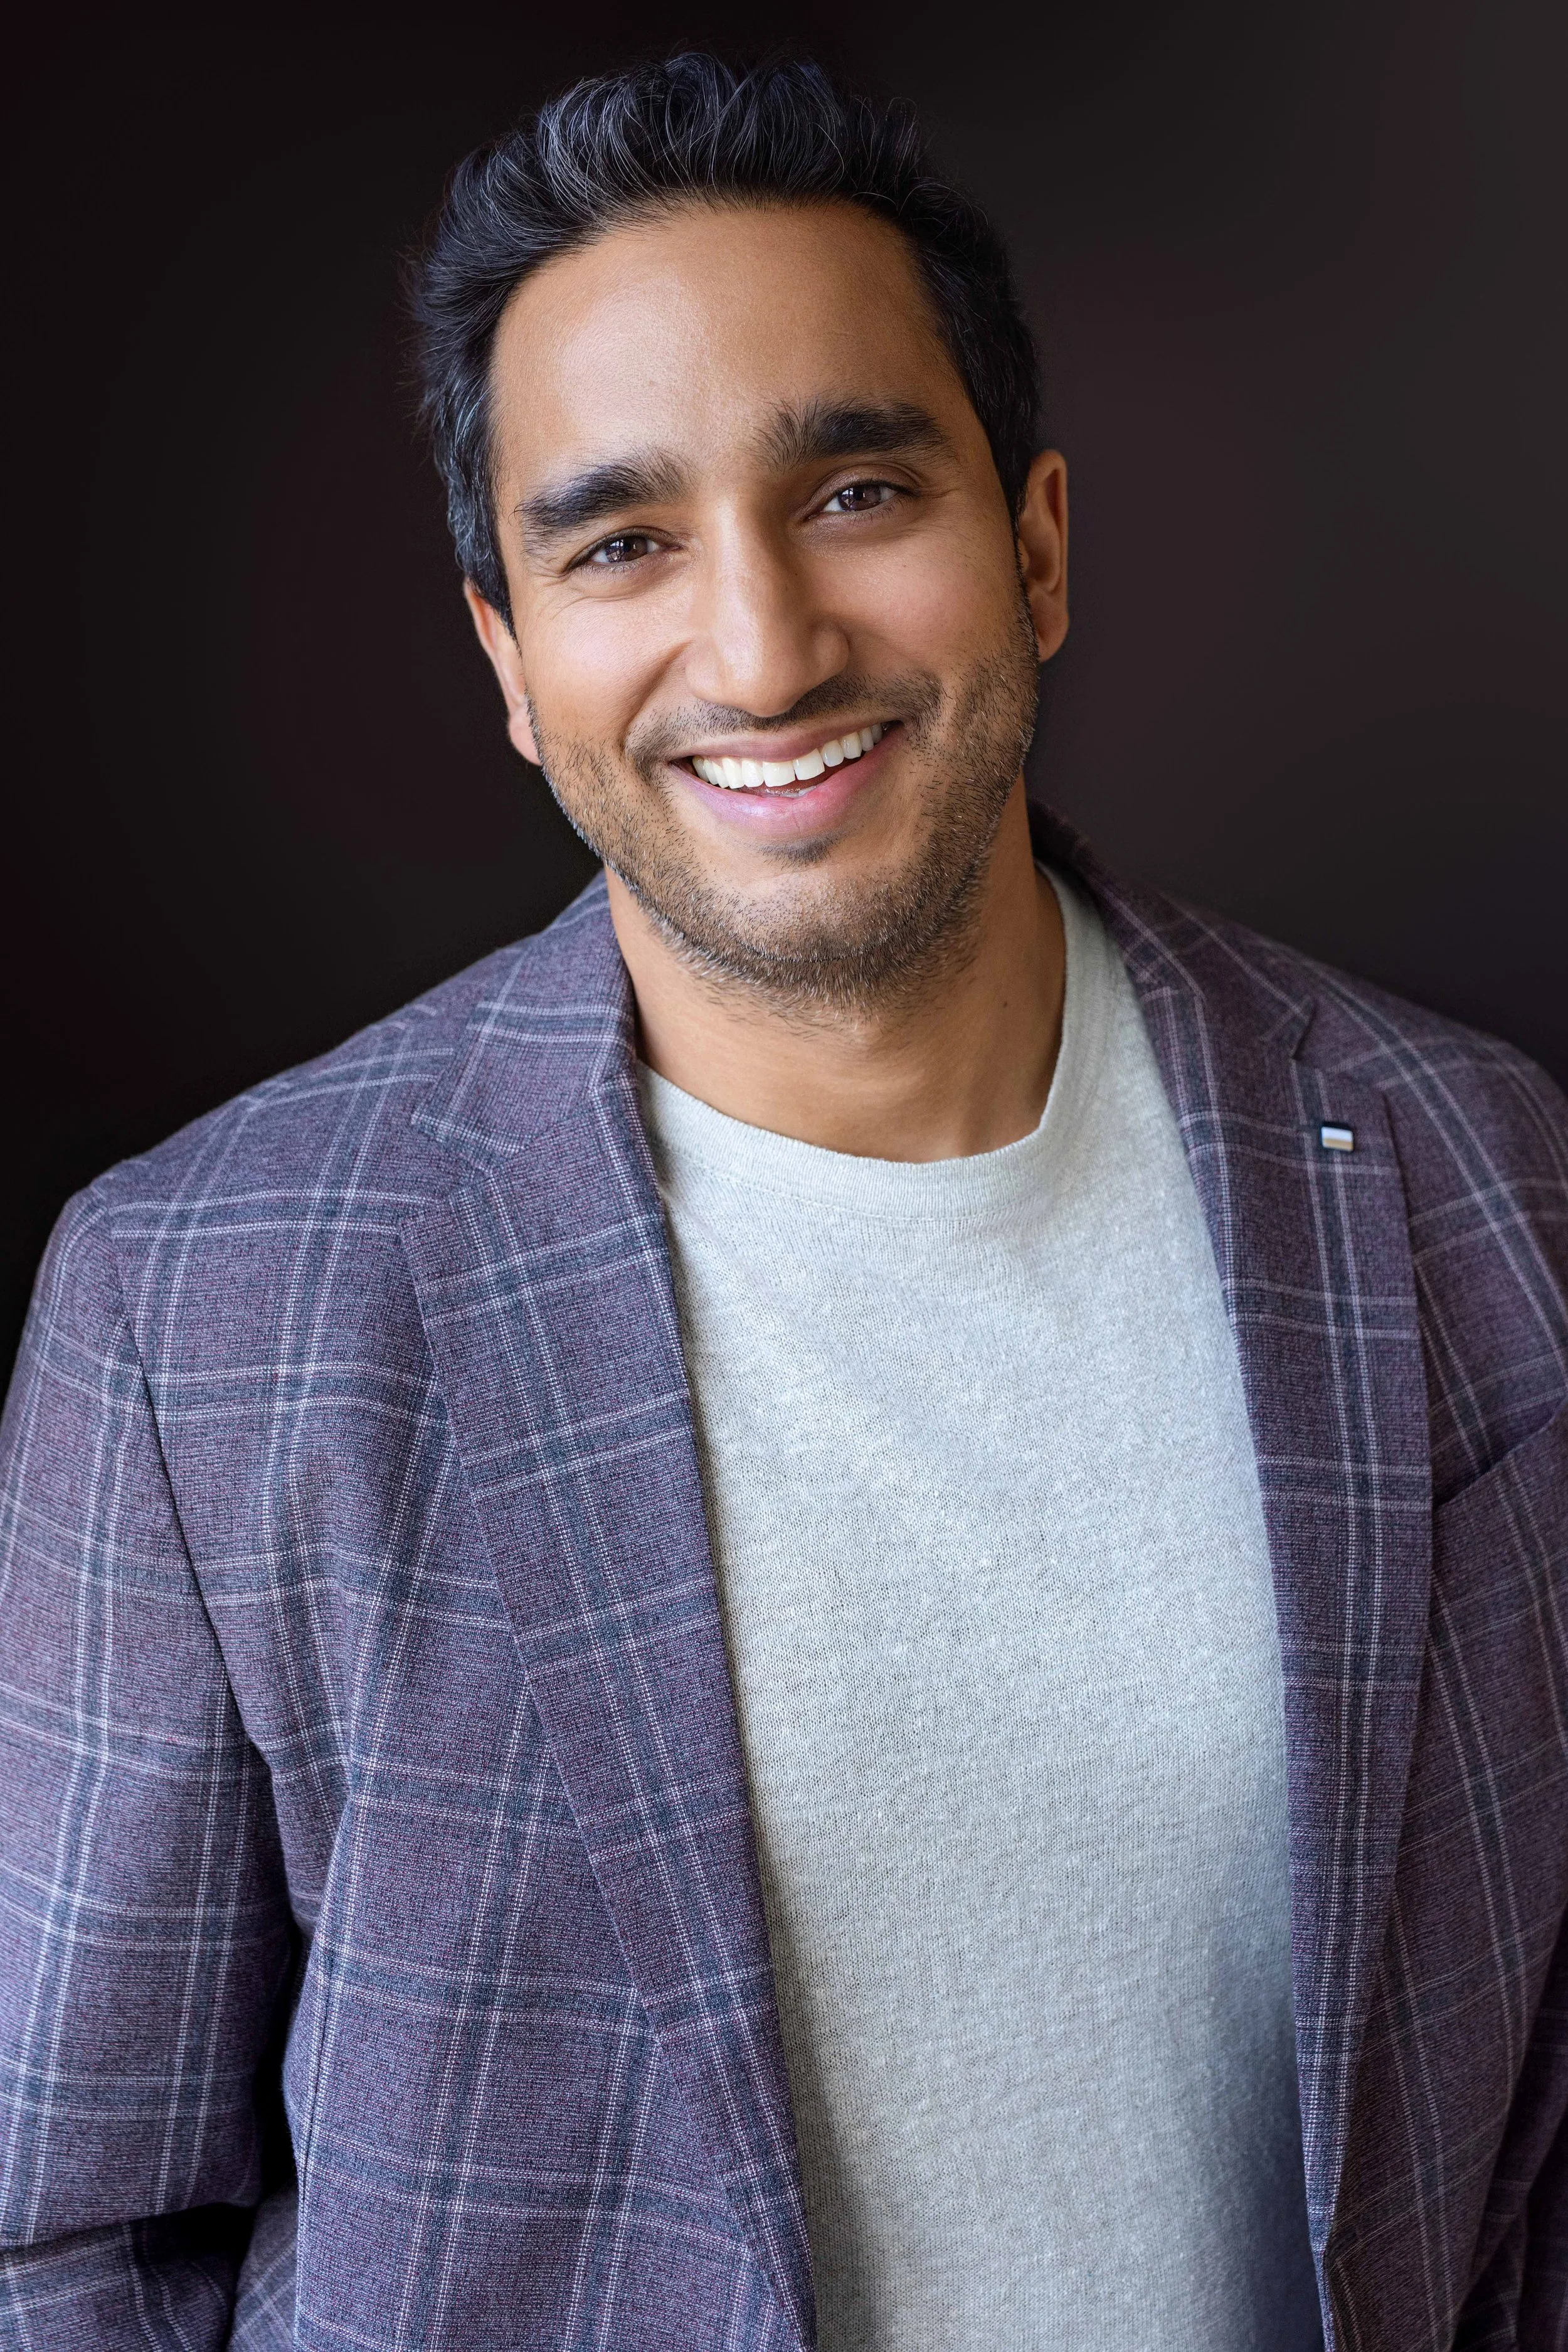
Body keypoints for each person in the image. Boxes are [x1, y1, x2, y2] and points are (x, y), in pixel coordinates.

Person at [1, 50, 1565, 2352]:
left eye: (851, 489)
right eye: (618, 540)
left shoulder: (1488, 1184)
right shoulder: (198, 1316)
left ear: (1033, 541)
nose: (758, 649)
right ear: (509, 666)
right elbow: (67, 2235)